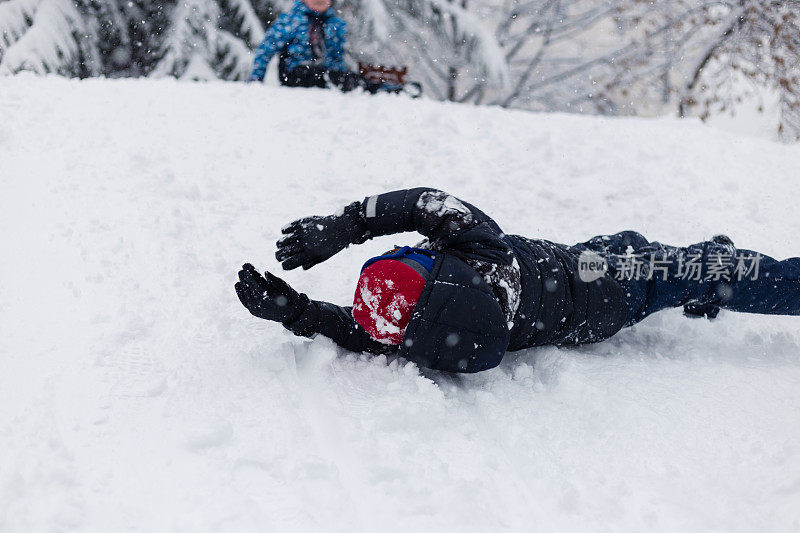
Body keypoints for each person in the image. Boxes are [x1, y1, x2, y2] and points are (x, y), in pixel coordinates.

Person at [235, 188, 800, 373]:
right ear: (424, 267)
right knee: (688, 268)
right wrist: (348, 224)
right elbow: (429, 203)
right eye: (409, 254)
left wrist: (297, 312)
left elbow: (360, 334)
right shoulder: (483, 256)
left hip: (584, 315)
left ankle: (699, 274)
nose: (410, 247)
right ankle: (724, 273)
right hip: (598, 277)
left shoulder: (420, 333)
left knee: (656, 261)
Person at [248, 0, 386, 93]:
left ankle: (384, 86)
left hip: (328, 75)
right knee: (318, 74)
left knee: (348, 78)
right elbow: (265, 52)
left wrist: (340, 77)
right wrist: (255, 80)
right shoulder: (290, 21)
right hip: (295, 75)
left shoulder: (336, 24)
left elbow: (337, 56)